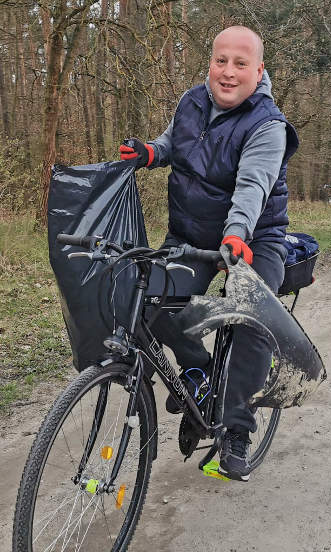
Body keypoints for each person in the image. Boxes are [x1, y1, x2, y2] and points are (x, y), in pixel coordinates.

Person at [118, 25, 298, 482]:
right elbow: (173, 143)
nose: (229, 72)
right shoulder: (191, 101)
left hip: (254, 238)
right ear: (210, 63)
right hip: (191, 235)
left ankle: (237, 430)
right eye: (221, 61)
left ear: (259, 70)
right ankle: (198, 372)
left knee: (252, 324)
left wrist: (237, 233)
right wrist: (148, 153)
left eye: (241, 64)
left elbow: (252, 185)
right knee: (151, 301)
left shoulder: (268, 125)